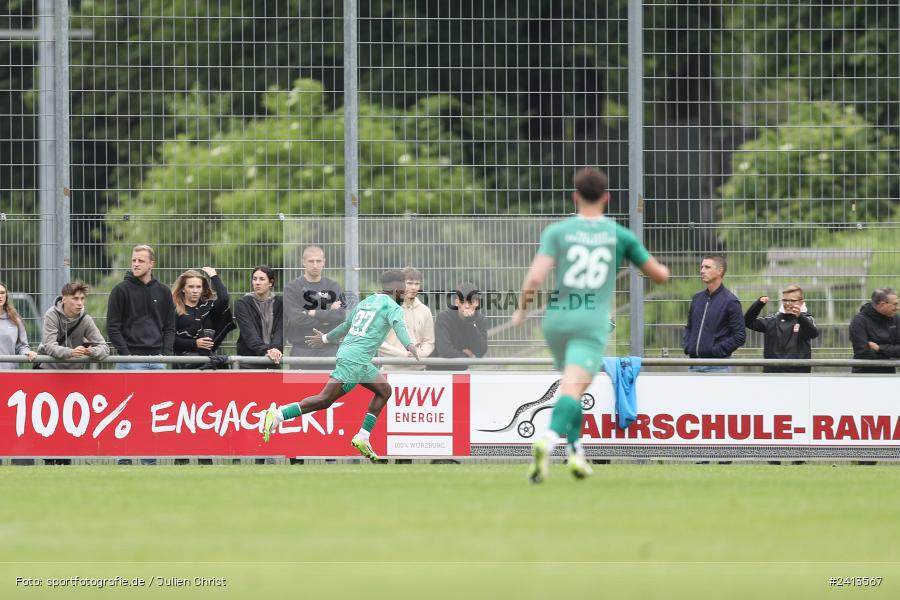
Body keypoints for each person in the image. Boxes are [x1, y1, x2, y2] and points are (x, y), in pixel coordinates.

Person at [511, 167, 670, 483]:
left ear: (575, 196)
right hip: (589, 321)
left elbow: (535, 278)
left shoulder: (558, 232)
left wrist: (521, 310)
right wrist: (656, 268)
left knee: (574, 386)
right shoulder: (618, 234)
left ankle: (577, 454)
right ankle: (548, 440)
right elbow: (659, 275)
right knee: (573, 388)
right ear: (607, 198)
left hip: (557, 319)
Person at [262, 270, 420, 461]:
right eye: (404, 288)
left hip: (355, 358)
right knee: (325, 400)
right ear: (397, 289)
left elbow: (347, 326)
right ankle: (278, 414)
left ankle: (363, 437)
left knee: (385, 390)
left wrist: (326, 338)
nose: (406, 292)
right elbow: (399, 326)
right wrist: (410, 346)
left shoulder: (367, 302)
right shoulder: (393, 307)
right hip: (355, 361)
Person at [106, 244, 176, 370]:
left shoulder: (164, 291)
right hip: (129, 361)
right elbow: (112, 327)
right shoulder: (120, 290)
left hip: (158, 361)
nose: (136, 264)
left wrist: (165, 355)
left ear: (151, 264)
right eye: (134, 260)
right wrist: (126, 355)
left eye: (141, 261)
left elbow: (170, 327)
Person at [283, 245, 348, 368]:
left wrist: (313, 313)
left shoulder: (334, 286)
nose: (315, 265)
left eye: (318, 261)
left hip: (329, 348)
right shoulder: (292, 288)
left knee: (330, 387)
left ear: (324, 262)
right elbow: (297, 320)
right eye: (311, 261)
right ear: (303, 262)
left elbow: (340, 316)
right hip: (301, 349)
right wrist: (327, 318)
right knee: (300, 387)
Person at [682, 253, 745, 372]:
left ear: (720, 271)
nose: (702, 271)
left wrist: (715, 351)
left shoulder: (730, 301)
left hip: (717, 367)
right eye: (701, 267)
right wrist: (688, 346)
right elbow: (689, 327)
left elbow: (739, 336)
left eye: (707, 267)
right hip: (693, 365)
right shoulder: (697, 298)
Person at [744, 285, 819, 374]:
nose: (788, 303)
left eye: (792, 300)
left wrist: (800, 317)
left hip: (798, 374)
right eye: (785, 300)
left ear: (801, 302)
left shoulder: (807, 319)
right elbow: (748, 322)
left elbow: (813, 334)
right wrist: (758, 304)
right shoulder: (773, 319)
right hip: (772, 373)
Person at [38, 281, 110, 369]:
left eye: (82, 298)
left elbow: (105, 348)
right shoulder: (52, 315)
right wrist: (71, 352)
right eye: (75, 298)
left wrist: (90, 351)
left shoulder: (85, 319)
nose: (80, 303)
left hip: (75, 372)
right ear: (64, 299)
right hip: (50, 369)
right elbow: (50, 346)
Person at [172, 267, 234, 369]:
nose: (195, 291)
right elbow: (169, 339)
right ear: (183, 289)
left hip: (207, 362)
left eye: (198, 287)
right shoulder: (174, 310)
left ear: (202, 289)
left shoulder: (208, 308)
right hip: (183, 363)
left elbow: (224, 299)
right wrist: (195, 343)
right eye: (191, 287)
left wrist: (214, 276)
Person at [378, 267, 435, 371]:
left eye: (417, 284)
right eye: (409, 283)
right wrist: (404, 355)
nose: (414, 287)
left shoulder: (425, 311)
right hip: (391, 369)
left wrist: (419, 355)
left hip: (418, 370)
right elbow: (378, 342)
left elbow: (429, 341)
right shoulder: (385, 308)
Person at [235, 265, 283, 369]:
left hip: (273, 358)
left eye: (262, 279)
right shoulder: (242, 303)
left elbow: (281, 329)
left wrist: (275, 349)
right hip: (249, 360)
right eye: (254, 279)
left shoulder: (280, 303)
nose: (257, 282)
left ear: (270, 283)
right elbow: (249, 332)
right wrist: (265, 351)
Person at [432, 282, 488, 370]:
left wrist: (471, 322)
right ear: (456, 302)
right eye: (463, 302)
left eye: (471, 302)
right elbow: (444, 351)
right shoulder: (444, 318)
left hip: (462, 370)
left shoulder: (480, 320)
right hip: (440, 371)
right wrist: (466, 356)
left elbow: (481, 351)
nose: (467, 306)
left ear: (477, 303)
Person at [849, 287, 900, 374]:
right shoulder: (859, 321)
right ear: (881, 305)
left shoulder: (895, 319)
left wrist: (879, 348)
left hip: (889, 375)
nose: (898, 308)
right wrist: (891, 352)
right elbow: (863, 353)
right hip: (864, 375)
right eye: (895, 304)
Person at [0, 281, 38, 369]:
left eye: (2, 293)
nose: (0, 296)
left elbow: (22, 345)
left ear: (6, 295)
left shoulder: (15, 320)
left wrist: (27, 352)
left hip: (9, 372)